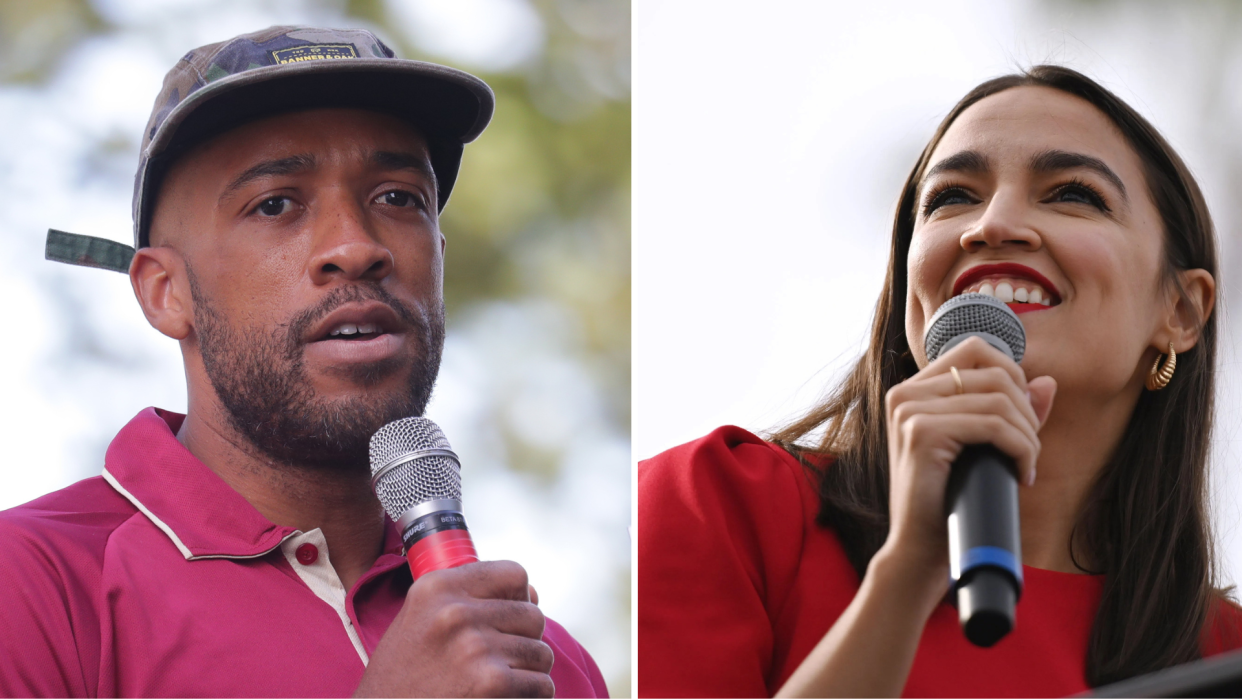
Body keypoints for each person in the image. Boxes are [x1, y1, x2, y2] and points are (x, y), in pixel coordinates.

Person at [0, 26, 607, 698]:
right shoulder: (32, 584)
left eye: (397, 198)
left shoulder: (548, 661)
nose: (355, 247)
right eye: (276, 204)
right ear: (165, 292)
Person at [638, 65, 1242, 697]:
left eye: (1074, 194)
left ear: (1181, 311)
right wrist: (905, 578)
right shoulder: (716, 504)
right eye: (951, 198)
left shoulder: (1219, 655)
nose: (993, 223)